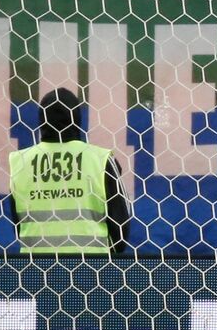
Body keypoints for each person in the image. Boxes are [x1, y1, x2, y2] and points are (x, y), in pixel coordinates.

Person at [8, 88, 130, 253]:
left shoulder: (20, 162)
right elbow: (120, 234)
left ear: (41, 120)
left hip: (35, 273)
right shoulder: (101, 160)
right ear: (78, 119)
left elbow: (19, 227)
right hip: (91, 273)